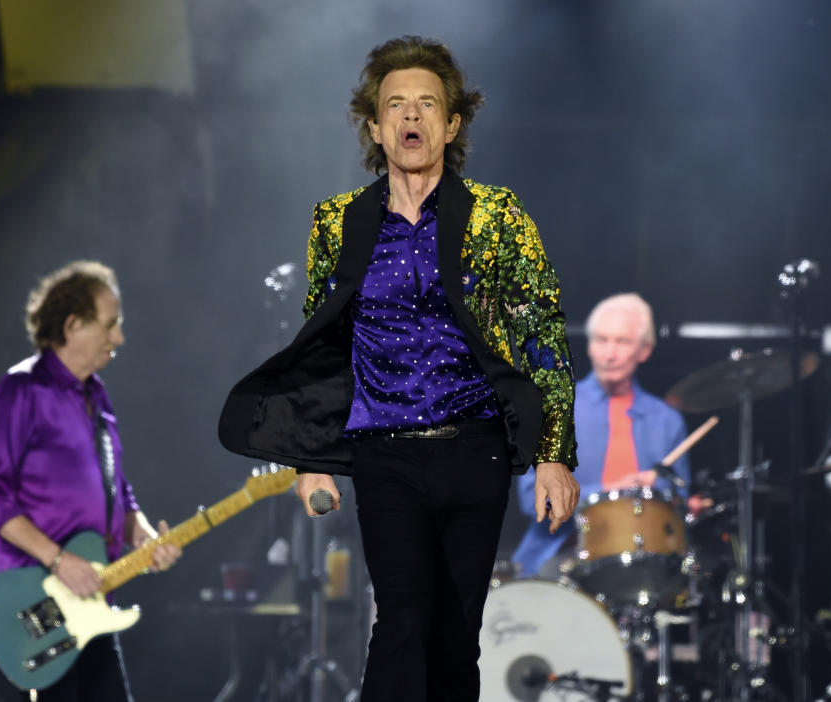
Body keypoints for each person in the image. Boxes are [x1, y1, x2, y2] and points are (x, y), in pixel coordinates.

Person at [219, 36, 579, 702]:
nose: (412, 116)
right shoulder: (338, 223)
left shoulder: (497, 219)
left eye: (427, 104)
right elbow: (322, 344)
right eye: (397, 105)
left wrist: (555, 452)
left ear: (451, 123)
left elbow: (542, 334)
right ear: (377, 127)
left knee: (454, 638)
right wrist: (311, 457)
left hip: (476, 450)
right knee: (402, 618)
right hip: (386, 455)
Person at [0, 260, 181, 701]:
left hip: (90, 606)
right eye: (110, 325)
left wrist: (139, 532)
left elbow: (116, 491)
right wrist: (59, 560)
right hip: (33, 612)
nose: (118, 338)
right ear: (72, 325)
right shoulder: (22, 389)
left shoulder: (97, 396)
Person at [514, 292, 691, 577]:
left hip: (644, 560)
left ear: (644, 350)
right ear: (590, 347)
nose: (609, 354)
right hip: (559, 557)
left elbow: (679, 501)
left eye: (622, 342)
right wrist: (612, 493)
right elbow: (531, 498)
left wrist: (663, 493)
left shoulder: (666, 421)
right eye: (601, 340)